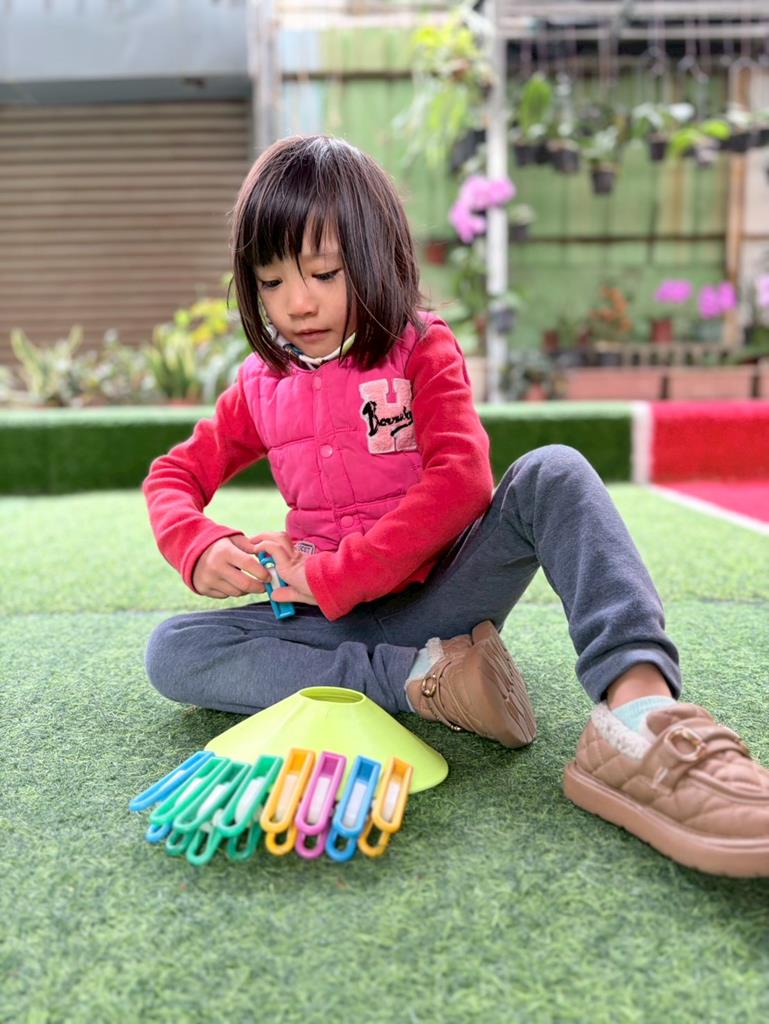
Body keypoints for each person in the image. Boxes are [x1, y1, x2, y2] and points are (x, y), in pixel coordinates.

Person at [144, 134, 769, 878]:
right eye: (271, 280)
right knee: (173, 651)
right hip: (324, 621)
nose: (297, 302)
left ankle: (639, 715)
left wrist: (338, 573)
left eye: (324, 272)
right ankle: (422, 680)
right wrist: (202, 546)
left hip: (441, 595)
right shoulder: (260, 382)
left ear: (375, 257)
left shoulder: (419, 349)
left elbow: (462, 483)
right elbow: (172, 475)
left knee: (554, 472)